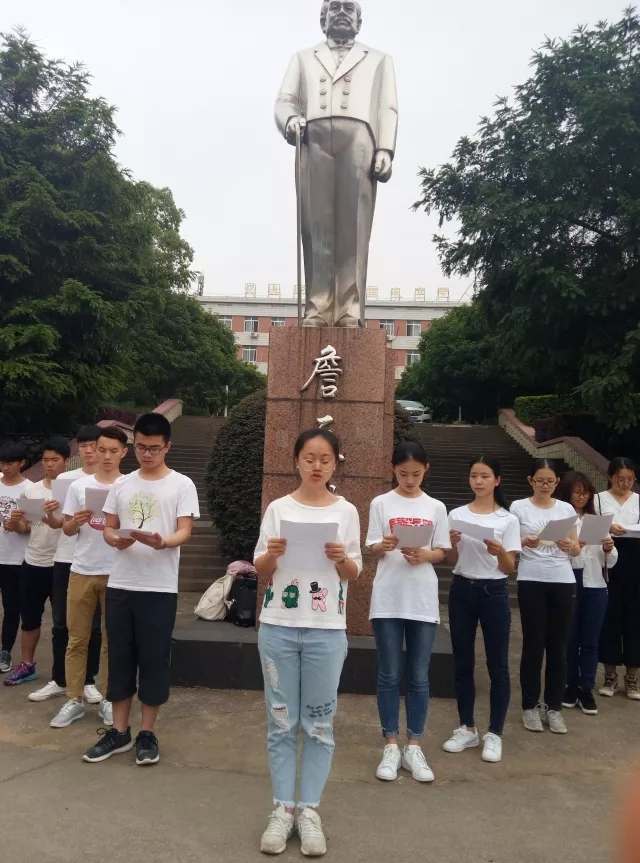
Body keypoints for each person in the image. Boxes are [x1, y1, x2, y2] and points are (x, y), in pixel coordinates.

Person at [254, 428, 362, 857]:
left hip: (326, 630)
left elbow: (354, 572)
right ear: (296, 460)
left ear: (336, 463)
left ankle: (309, 811)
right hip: (278, 625)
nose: (317, 466)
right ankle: (282, 808)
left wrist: (341, 559)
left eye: (325, 459)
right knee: (281, 723)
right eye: (309, 458)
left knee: (319, 725)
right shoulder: (279, 508)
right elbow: (261, 566)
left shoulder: (347, 511)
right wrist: (273, 554)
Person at [81, 413, 199, 766]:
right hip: (121, 584)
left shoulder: (181, 485)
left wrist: (164, 542)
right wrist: (114, 540)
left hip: (159, 588)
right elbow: (109, 527)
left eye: (154, 448)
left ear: (167, 447)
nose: (147, 454)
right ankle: (119, 731)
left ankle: (147, 732)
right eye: (142, 448)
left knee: (153, 660)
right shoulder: (122, 485)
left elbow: (184, 531)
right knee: (120, 658)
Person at [366, 441, 450, 784]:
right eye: (403, 474)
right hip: (388, 595)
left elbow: (442, 550)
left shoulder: (436, 506)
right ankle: (390, 744)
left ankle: (414, 745)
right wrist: (383, 545)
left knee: (418, 674)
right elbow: (371, 545)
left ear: (426, 469)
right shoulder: (381, 503)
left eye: (416, 473)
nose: (410, 480)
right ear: (393, 469)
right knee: (389, 673)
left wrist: (427, 555)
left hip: (421, 597)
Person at [49, 426, 128, 729]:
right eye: (101, 449)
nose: (106, 456)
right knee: (76, 638)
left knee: (112, 640)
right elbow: (68, 529)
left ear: (123, 452)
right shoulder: (79, 487)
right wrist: (77, 521)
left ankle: (108, 698)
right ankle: (74, 699)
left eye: (113, 451)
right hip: (81, 568)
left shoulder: (128, 486)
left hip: (117, 572)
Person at [443, 457, 521, 764]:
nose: (478, 481)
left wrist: (499, 551)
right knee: (463, 661)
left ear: (497, 480)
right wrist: (452, 544)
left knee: (497, 664)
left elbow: (509, 567)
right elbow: (451, 560)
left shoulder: (507, 519)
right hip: (462, 588)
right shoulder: (457, 515)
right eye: (474, 475)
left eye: (485, 476)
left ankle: (495, 733)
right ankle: (467, 727)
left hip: (494, 591)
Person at [29, 424, 104, 704]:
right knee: (61, 623)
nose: (89, 451)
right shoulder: (67, 480)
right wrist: (49, 516)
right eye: (83, 446)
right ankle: (60, 679)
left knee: (93, 625)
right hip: (65, 558)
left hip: (96, 562)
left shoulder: (113, 481)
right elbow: (59, 523)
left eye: (94, 445)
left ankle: (88, 680)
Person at [511, 459, 580, 734]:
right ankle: (530, 706)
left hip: (562, 580)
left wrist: (569, 545)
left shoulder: (566, 509)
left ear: (557, 482)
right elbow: (509, 543)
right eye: (540, 481)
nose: (545, 485)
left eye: (550, 481)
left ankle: (554, 707)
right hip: (531, 579)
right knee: (533, 644)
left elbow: (576, 549)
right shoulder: (519, 507)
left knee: (558, 647)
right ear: (531, 481)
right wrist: (524, 541)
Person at [4, 437, 69, 686]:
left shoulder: (72, 489)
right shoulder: (32, 490)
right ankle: (27, 665)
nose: (49, 464)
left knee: (62, 623)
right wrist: (15, 523)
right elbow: (25, 527)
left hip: (61, 562)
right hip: (33, 562)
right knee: (29, 618)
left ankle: (63, 673)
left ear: (66, 461)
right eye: (46, 460)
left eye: (55, 460)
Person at [556, 472, 617, 716]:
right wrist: (575, 548)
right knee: (570, 637)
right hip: (570, 582)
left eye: (586, 493)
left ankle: (586, 687)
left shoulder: (596, 521)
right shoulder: (561, 519)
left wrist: (608, 548)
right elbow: (553, 554)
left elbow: (610, 561)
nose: (581, 497)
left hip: (596, 585)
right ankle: (570, 685)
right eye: (576, 492)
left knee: (591, 640)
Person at [595, 458, 640, 701]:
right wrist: (609, 527)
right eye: (620, 479)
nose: (625, 483)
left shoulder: (638, 500)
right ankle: (610, 675)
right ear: (610, 477)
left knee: (635, 618)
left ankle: (632, 677)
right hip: (608, 557)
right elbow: (590, 528)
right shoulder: (598, 499)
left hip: (636, 560)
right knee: (610, 616)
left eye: (630, 479)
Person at [0, 443, 32, 674]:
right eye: (2, 463)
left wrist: (17, 525)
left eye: (10, 463)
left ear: (22, 463)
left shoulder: (30, 490)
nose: (5, 468)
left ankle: (5, 651)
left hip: (16, 559)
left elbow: (30, 527)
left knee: (12, 608)